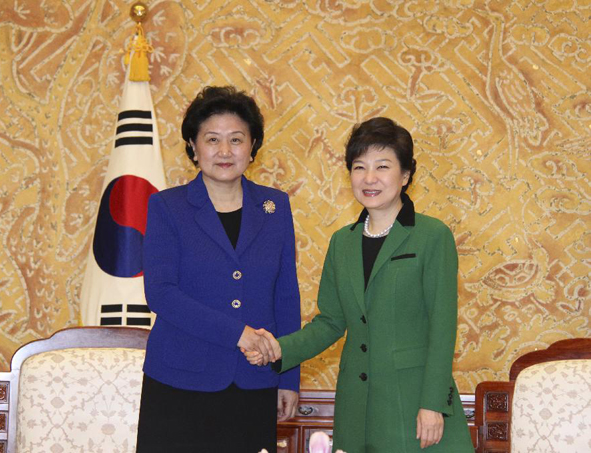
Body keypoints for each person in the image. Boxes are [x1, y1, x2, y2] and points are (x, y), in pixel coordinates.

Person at [245, 117, 474, 452]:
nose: (369, 178)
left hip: (414, 403)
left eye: (382, 166)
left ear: (406, 175)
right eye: (359, 167)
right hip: (357, 404)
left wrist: (433, 404)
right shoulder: (342, 242)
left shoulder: (431, 236)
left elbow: (443, 328)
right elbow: (331, 322)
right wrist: (280, 349)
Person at [136, 86, 301, 453]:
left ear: (253, 145)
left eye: (236, 140)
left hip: (254, 381)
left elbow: (285, 293)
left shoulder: (276, 207)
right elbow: (161, 293)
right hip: (180, 382)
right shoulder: (167, 207)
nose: (224, 151)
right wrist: (238, 333)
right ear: (193, 146)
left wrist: (288, 375)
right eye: (212, 139)